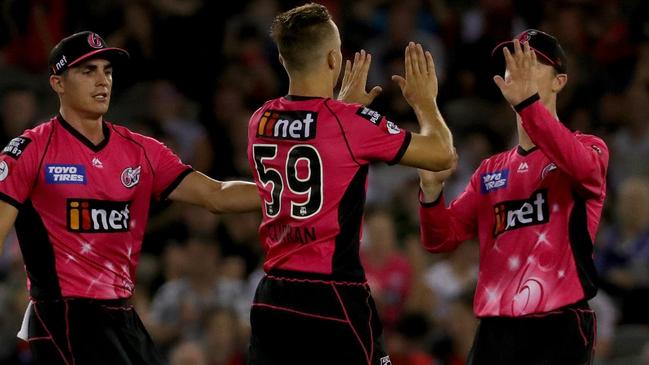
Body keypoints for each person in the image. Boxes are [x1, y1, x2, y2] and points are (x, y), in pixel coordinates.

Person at [0, 31, 260, 365]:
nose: (102, 80)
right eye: (87, 71)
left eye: (107, 71)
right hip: (63, 315)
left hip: (122, 314)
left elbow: (216, 195)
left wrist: (292, 194)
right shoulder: (31, 150)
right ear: (57, 83)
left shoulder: (140, 150)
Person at [246, 3, 456, 365]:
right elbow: (441, 155)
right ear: (333, 59)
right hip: (332, 295)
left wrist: (341, 107)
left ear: (283, 60)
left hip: (272, 298)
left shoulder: (259, 120)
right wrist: (425, 103)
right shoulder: (349, 122)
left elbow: (313, 142)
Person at [417, 30, 609, 364]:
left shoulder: (589, 148)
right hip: (496, 330)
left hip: (558, 323)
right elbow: (441, 240)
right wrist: (431, 195)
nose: (517, 69)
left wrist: (528, 106)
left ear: (559, 81)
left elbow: (582, 168)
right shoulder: (490, 171)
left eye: (530, 61)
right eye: (511, 61)